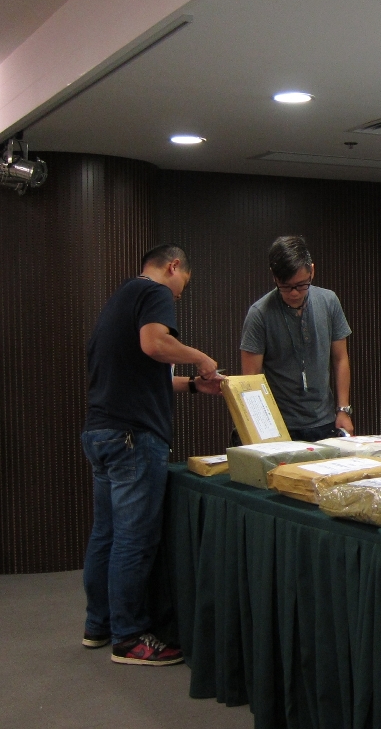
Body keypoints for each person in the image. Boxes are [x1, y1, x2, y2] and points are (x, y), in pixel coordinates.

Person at [82, 244, 224, 666]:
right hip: (133, 438)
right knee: (133, 539)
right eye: (184, 285)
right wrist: (201, 358)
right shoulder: (155, 292)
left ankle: (99, 625)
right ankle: (129, 637)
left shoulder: (119, 301)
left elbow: (146, 374)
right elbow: (154, 344)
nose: (179, 295)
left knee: (105, 535)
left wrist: (196, 386)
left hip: (102, 432)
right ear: (174, 267)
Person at [240, 236, 353, 441]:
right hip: (279, 426)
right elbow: (251, 379)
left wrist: (343, 409)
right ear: (274, 277)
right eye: (285, 286)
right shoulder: (259, 313)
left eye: (301, 285)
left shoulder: (329, 301)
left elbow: (340, 359)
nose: (293, 293)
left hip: (325, 421)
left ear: (312, 270)